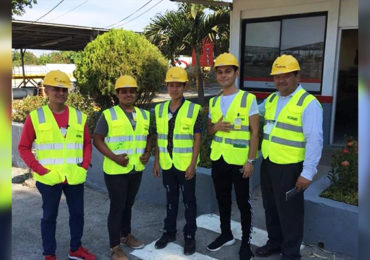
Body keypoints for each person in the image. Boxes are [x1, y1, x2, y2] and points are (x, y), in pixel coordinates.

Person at [18, 70, 96, 260]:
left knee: (77, 215)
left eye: (64, 89)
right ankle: (49, 253)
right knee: (49, 217)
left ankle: (75, 249)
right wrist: (41, 170)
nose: (61, 93)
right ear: (46, 90)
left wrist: (84, 165)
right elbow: (24, 147)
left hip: (74, 176)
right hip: (49, 178)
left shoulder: (79, 117)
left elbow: (87, 143)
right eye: (56, 89)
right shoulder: (36, 117)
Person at [255, 54, 323, 260]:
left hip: (291, 168)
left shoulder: (308, 103)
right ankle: (274, 243)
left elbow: (315, 140)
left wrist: (308, 173)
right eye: (276, 76)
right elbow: (253, 115)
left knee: (290, 213)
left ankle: (291, 253)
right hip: (269, 163)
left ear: (297, 76)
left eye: (285, 76)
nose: (280, 80)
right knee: (271, 207)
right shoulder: (273, 99)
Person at [207, 53, 259, 260]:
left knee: (243, 202)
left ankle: (246, 240)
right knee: (222, 199)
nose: (223, 75)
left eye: (228, 71)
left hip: (239, 161)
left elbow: (255, 132)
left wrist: (250, 161)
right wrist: (216, 127)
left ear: (236, 73)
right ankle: (226, 233)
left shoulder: (248, 99)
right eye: (219, 72)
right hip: (218, 158)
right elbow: (210, 130)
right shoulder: (214, 101)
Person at [93, 75, 151, 260]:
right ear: (117, 94)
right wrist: (114, 158)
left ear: (136, 93)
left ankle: (126, 235)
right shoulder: (109, 115)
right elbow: (97, 139)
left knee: (128, 204)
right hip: (115, 170)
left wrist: (148, 151)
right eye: (123, 91)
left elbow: (150, 135)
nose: (128, 94)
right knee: (117, 207)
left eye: (131, 90)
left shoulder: (144, 114)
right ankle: (115, 247)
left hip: (135, 169)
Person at [153, 67, 201, 256]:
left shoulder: (193, 109)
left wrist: (192, 164)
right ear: (167, 86)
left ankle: (189, 236)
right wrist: (156, 161)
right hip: (167, 164)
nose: (174, 89)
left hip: (185, 165)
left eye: (178, 85)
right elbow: (159, 137)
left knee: (189, 202)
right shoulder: (159, 109)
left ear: (184, 86)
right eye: (171, 85)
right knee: (170, 201)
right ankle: (169, 233)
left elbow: (198, 139)